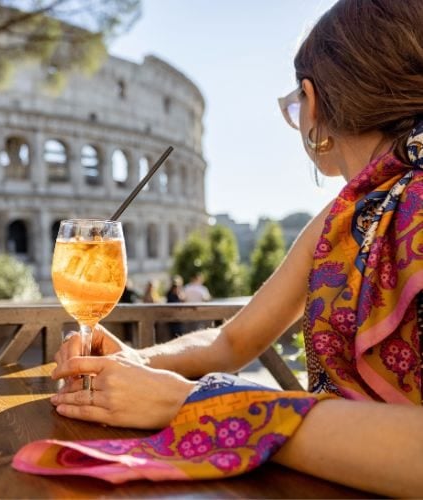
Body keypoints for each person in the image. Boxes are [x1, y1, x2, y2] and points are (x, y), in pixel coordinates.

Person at [43, 1, 423, 496]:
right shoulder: (342, 218)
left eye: (294, 108)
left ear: (313, 104)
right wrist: (135, 361)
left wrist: (198, 403)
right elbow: (230, 343)